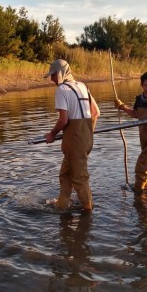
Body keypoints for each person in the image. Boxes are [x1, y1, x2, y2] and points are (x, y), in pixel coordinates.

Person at [44, 59, 100, 210]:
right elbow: (95, 113)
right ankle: (62, 205)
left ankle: (88, 211)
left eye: (53, 75)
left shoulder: (62, 90)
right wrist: (86, 133)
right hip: (86, 139)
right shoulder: (83, 86)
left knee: (80, 178)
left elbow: (63, 120)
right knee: (65, 174)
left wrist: (52, 134)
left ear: (60, 73)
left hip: (74, 142)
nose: (52, 79)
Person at [115, 72, 147, 192]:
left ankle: (140, 193)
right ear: (141, 85)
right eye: (146, 85)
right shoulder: (139, 99)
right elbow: (136, 114)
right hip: (144, 138)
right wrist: (123, 107)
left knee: (142, 166)